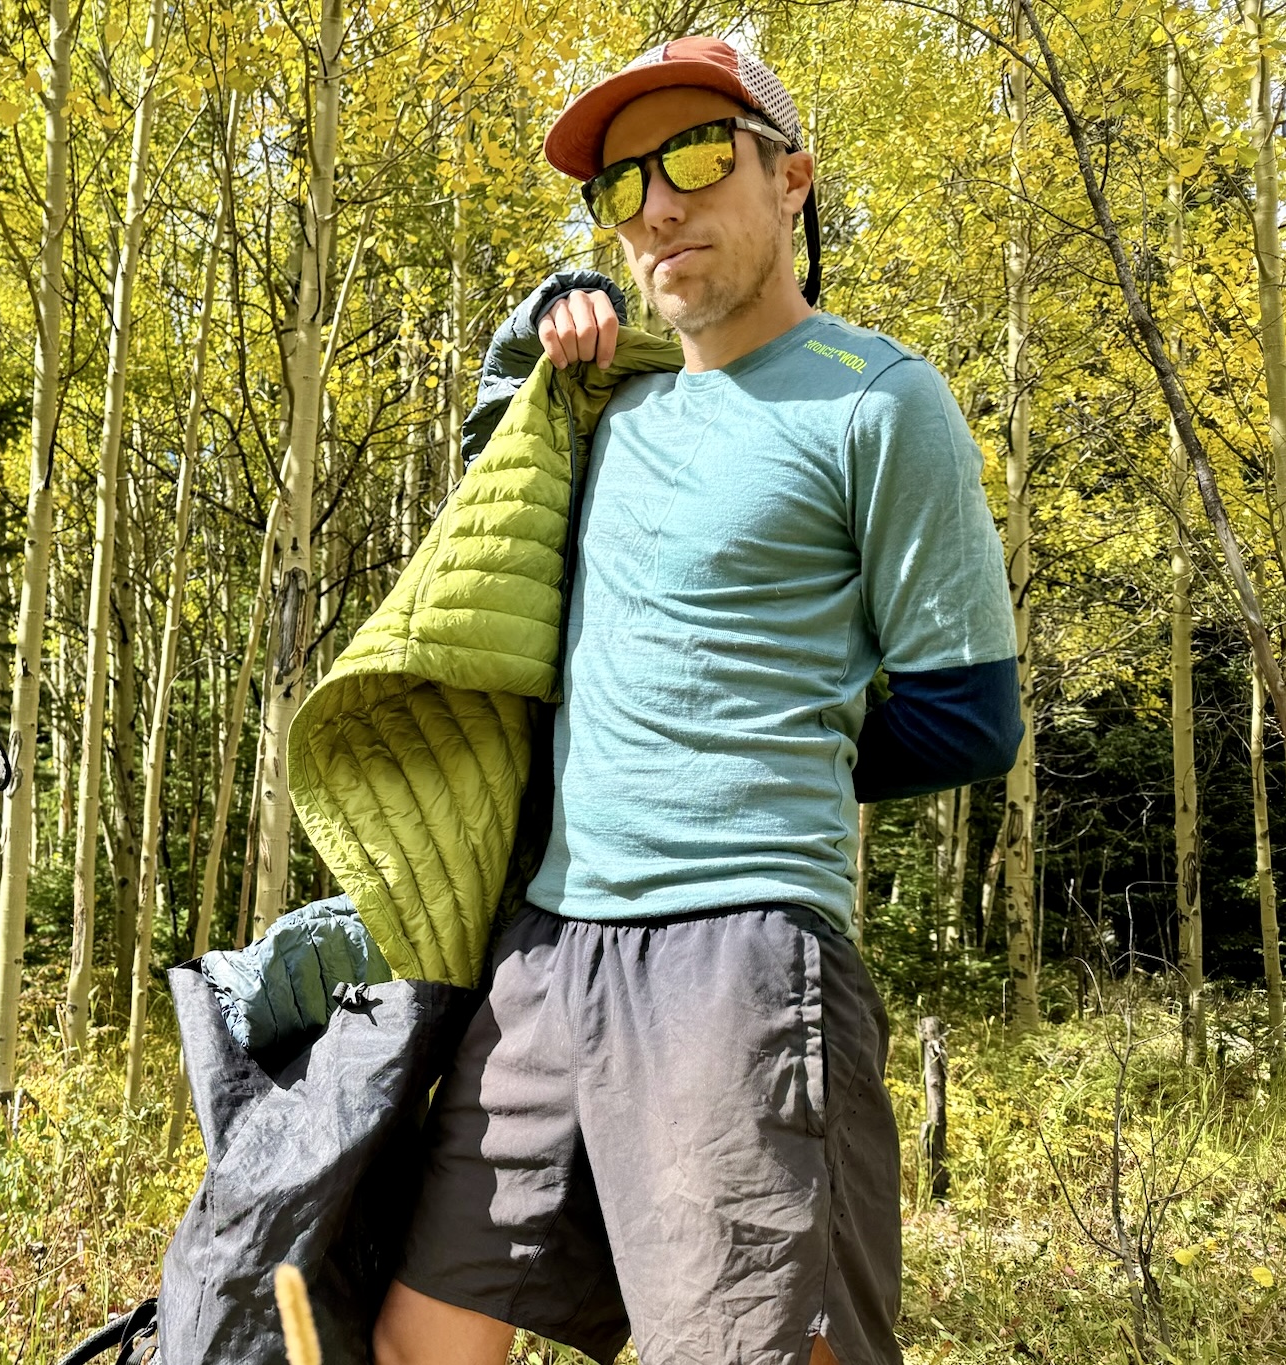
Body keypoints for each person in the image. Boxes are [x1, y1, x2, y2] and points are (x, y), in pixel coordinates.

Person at [370, 37, 1022, 1365]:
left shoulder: (878, 402)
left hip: (740, 957)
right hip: (549, 956)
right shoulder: (615, 412)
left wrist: (753, 752)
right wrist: (534, 329)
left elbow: (968, 711)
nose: (657, 206)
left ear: (793, 181)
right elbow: (483, 547)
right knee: (416, 1339)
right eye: (621, 185)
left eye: (697, 155)